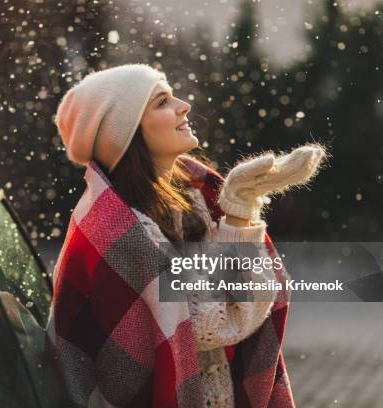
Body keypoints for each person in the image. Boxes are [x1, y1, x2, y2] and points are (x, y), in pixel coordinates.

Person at [49, 63, 325, 407]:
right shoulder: (118, 232)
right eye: (162, 102)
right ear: (127, 133)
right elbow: (224, 321)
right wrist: (239, 212)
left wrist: (242, 207)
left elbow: (233, 296)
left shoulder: (192, 200)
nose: (184, 105)